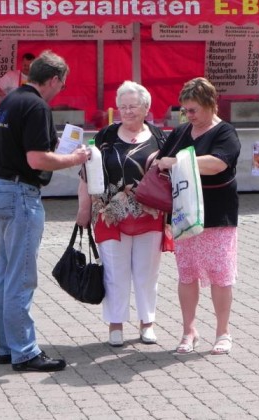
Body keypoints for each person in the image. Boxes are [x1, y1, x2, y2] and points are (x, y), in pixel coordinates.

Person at [0, 50, 90, 372]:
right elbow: (37, 160)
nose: (60, 91)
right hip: (20, 193)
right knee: (21, 276)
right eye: (62, 85)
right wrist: (75, 158)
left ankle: (8, 346)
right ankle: (25, 352)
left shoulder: (12, 99)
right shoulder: (36, 106)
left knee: (5, 273)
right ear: (54, 79)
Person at [76, 81, 166, 347]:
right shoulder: (105, 136)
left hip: (150, 215)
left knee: (147, 272)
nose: (126, 112)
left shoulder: (161, 137)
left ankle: (147, 323)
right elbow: (85, 174)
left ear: (146, 108)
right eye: (122, 106)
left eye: (133, 106)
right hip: (109, 215)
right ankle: (115, 325)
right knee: (114, 273)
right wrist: (83, 208)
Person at [157, 77, 241, 355]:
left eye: (193, 110)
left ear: (211, 104)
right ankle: (188, 331)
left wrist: (179, 161)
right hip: (183, 215)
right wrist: (158, 161)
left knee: (220, 274)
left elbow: (218, 163)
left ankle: (223, 332)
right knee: (187, 274)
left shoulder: (225, 132)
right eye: (185, 111)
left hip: (217, 215)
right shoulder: (182, 132)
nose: (189, 116)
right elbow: (161, 159)